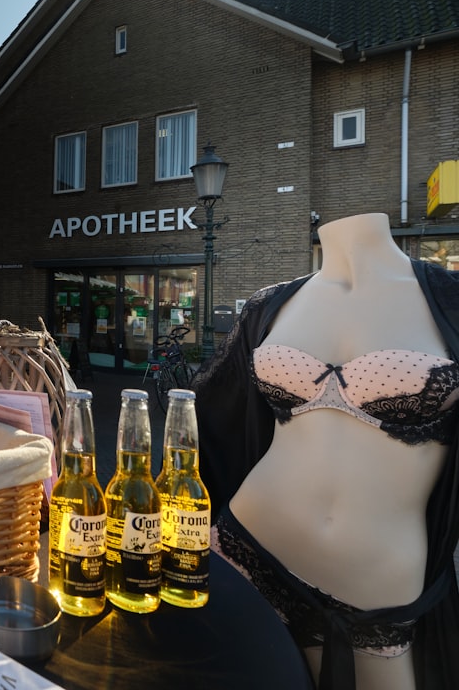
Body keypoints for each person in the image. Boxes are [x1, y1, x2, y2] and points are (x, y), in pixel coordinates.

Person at [193, 212, 459, 690]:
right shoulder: (271, 306)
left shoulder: (450, 301)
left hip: (377, 586)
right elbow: (216, 417)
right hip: (249, 545)